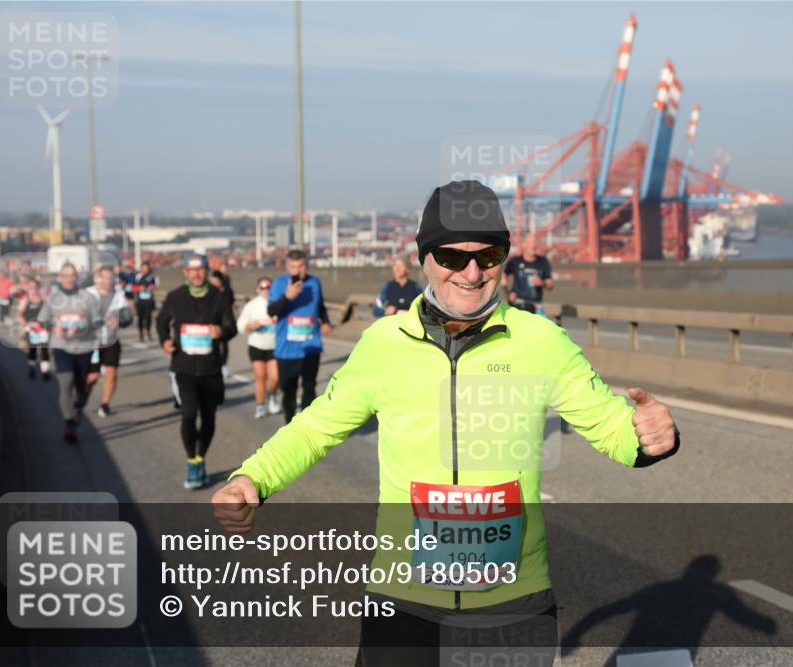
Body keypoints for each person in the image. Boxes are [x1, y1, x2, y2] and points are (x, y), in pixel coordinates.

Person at [212, 181, 680, 665]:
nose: (472, 272)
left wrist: (649, 438)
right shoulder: (384, 344)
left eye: (489, 255)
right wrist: (254, 477)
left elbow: (612, 427)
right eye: (453, 256)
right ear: (425, 258)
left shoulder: (542, 341)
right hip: (403, 602)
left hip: (512, 604)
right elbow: (314, 428)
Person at [157, 253, 237, 490]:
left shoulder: (219, 297)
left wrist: (220, 332)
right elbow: (162, 321)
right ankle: (192, 461)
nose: (196, 274)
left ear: (206, 270)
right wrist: (164, 341)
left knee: (209, 419)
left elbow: (231, 327)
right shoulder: (175, 297)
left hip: (211, 368)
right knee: (189, 415)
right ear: (185, 273)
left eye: (200, 269)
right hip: (184, 367)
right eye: (191, 270)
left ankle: (201, 457)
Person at [37, 262, 101, 444]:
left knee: (82, 388)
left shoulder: (88, 298)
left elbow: (97, 321)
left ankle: (79, 407)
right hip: (61, 347)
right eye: (65, 275)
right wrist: (53, 326)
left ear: (77, 276)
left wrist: (81, 328)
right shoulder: (53, 298)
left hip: (84, 347)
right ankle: (69, 424)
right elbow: (42, 319)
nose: (68, 278)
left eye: (72, 275)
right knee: (65, 384)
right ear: (60, 277)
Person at [265, 249, 332, 424]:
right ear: (287, 267)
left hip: (311, 346)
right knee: (289, 391)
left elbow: (320, 306)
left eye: (301, 266)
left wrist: (325, 321)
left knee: (310, 387)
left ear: (306, 265)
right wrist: (287, 297)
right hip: (287, 349)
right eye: (293, 267)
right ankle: (289, 423)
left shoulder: (314, 283)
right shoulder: (280, 284)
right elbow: (271, 311)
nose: (297, 271)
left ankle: (306, 424)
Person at [85, 266, 133, 417]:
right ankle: (82, 397)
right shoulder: (88, 294)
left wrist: (119, 320)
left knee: (111, 372)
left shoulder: (119, 296)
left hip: (111, 340)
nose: (108, 281)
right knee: (93, 376)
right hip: (91, 342)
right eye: (105, 277)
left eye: (111, 278)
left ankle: (105, 404)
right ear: (97, 278)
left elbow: (128, 317)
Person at [236, 277, 281, 419]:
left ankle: (272, 395)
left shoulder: (278, 304)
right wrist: (251, 326)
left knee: (275, 377)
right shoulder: (252, 306)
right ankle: (261, 405)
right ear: (257, 289)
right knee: (260, 377)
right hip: (257, 346)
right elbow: (240, 326)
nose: (266, 289)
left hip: (274, 346)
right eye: (262, 287)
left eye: (269, 286)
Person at [503, 232, 554, 315]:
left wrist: (542, 282)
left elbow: (550, 285)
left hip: (537, 305)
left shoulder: (543, 262)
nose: (533, 246)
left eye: (535, 243)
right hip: (518, 304)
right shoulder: (515, 261)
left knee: (540, 327)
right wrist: (508, 294)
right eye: (530, 243)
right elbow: (503, 276)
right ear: (524, 245)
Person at [17, 277, 52, 380]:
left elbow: (50, 312)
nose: (33, 289)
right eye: (30, 287)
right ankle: (32, 368)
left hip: (43, 330)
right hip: (31, 330)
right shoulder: (25, 300)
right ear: (28, 288)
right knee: (32, 350)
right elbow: (19, 314)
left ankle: (45, 371)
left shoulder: (44, 299)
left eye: (35, 287)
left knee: (45, 350)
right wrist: (25, 325)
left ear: (38, 287)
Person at [209, 257, 236, 379]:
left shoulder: (226, 289)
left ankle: (224, 365)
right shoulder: (209, 291)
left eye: (217, 280)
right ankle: (214, 364)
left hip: (224, 319)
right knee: (212, 343)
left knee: (224, 343)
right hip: (212, 320)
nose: (215, 282)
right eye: (213, 280)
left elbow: (231, 299)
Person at [132, 260, 160, 341]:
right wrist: (139, 288)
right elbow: (133, 287)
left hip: (149, 300)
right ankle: (140, 333)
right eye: (143, 268)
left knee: (148, 317)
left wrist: (151, 287)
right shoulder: (137, 276)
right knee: (140, 318)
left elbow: (156, 285)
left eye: (146, 268)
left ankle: (148, 332)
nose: (144, 269)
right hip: (139, 301)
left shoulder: (152, 276)